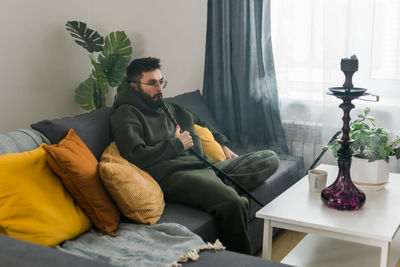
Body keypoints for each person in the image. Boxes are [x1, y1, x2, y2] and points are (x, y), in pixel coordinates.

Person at [111, 57, 280, 254]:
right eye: (152, 83)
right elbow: (134, 155)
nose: (159, 88)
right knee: (234, 203)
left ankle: (218, 188)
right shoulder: (126, 114)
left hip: (203, 166)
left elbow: (202, 124)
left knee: (269, 158)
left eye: (161, 81)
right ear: (134, 86)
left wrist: (223, 145)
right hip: (174, 175)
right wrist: (177, 144)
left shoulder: (170, 108)